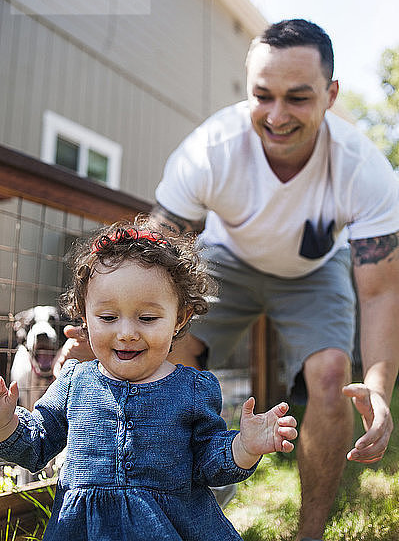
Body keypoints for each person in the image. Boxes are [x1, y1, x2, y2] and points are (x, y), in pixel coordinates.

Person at [56, 19, 399, 540]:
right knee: (166, 353)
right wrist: (105, 332)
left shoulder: (364, 170)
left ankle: (309, 535)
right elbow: (149, 255)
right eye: (263, 95)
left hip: (313, 270)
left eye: (298, 98)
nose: (277, 116)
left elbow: (380, 292)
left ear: (330, 95)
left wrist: (378, 388)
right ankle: (181, 504)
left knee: (332, 377)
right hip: (224, 257)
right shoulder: (209, 151)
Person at [0, 220, 297, 541]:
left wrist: (244, 446)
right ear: (84, 316)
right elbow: (38, 443)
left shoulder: (192, 389)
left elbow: (209, 461)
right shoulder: (74, 381)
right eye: (108, 318)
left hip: (170, 527)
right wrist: (6, 424)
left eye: (147, 318)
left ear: (179, 318)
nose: (127, 332)